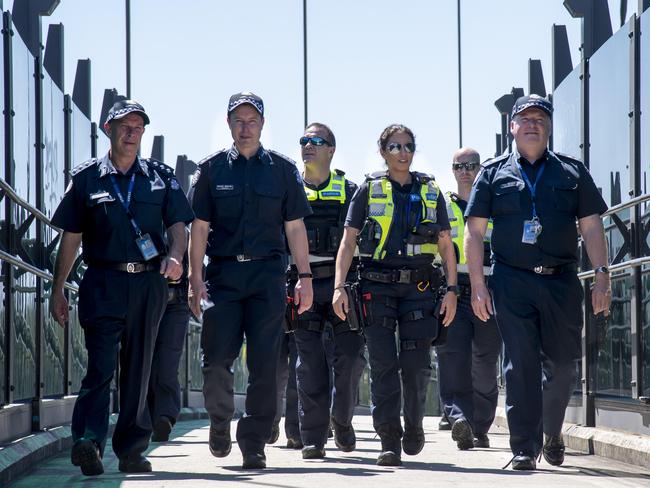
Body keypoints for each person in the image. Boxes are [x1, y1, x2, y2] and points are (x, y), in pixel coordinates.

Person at [465, 94, 611, 470]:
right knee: (520, 365)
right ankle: (524, 449)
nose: (532, 124)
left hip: (561, 280)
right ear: (512, 127)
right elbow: (474, 233)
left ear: (548, 127)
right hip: (512, 281)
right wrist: (478, 284)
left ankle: (552, 431)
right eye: (524, 119)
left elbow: (592, 226)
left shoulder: (571, 172)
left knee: (563, 367)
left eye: (539, 119)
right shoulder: (493, 174)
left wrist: (602, 275)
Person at [49, 99, 194, 476]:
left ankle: (131, 449)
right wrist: (58, 287)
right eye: (124, 127)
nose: (132, 134)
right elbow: (71, 237)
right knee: (99, 366)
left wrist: (176, 257)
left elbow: (179, 227)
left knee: (138, 368)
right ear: (107, 129)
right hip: (103, 280)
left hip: (148, 283)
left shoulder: (160, 177)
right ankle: (88, 442)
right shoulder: (86, 179)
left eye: (138, 127)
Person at [188, 92, 314, 470]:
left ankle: (254, 442)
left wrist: (304, 277)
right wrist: (195, 278)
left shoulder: (281, 170)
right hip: (223, 277)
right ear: (228, 124)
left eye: (252, 120)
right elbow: (198, 229)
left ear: (262, 124)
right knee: (215, 362)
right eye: (238, 120)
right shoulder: (211, 171)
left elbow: (294, 228)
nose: (245, 127)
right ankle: (220, 419)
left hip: (267, 278)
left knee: (264, 366)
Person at [333, 124, 458, 466]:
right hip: (376, 286)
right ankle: (389, 438)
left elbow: (446, 245)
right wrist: (338, 287)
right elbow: (348, 242)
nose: (403, 152)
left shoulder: (431, 191)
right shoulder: (368, 189)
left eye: (408, 146)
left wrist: (452, 290)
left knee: (417, 366)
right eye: (395, 146)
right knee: (383, 365)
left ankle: (414, 425)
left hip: (420, 287)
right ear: (383, 151)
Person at [290, 123, 366, 460]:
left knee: (349, 359)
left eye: (316, 141)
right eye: (304, 140)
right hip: (303, 285)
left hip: (343, 287)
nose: (308, 145)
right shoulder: (290, 190)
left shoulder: (350, 190)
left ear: (331, 150)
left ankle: (342, 420)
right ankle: (314, 438)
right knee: (309, 365)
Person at [436, 148, 501, 451]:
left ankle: (481, 425)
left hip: (489, 287)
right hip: (453, 289)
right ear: (452, 170)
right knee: (453, 358)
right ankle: (459, 418)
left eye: (471, 165)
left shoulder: (493, 204)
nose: (465, 170)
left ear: (480, 169)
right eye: (459, 166)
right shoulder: (442, 204)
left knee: (486, 361)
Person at [148, 241, 191, 443]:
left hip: (176, 304)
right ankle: (146, 417)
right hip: (144, 299)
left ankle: (164, 416)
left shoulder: (184, 232)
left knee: (168, 361)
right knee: (143, 361)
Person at [269, 332, 301, 448]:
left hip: (301, 316)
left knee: (298, 372)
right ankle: (271, 420)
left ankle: (295, 429)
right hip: (274, 316)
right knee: (275, 369)